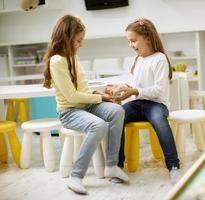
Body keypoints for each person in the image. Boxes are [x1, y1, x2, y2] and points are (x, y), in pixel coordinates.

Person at [43, 15, 129, 195]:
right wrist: (101, 98)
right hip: (70, 111)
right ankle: (76, 176)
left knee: (117, 111)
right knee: (98, 125)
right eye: (78, 40)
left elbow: (82, 88)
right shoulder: (57, 61)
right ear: (67, 37)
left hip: (85, 105)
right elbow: (72, 97)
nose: (80, 44)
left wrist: (99, 94)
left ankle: (112, 165)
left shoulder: (72, 56)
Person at [115, 18, 181, 185]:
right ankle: (117, 166)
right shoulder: (138, 59)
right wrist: (126, 89)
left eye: (133, 40)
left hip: (156, 104)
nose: (131, 45)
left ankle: (173, 167)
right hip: (139, 103)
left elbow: (159, 90)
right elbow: (138, 86)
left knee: (159, 120)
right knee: (116, 115)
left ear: (148, 39)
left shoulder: (159, 59)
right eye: (129, 41)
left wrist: (135, 90)